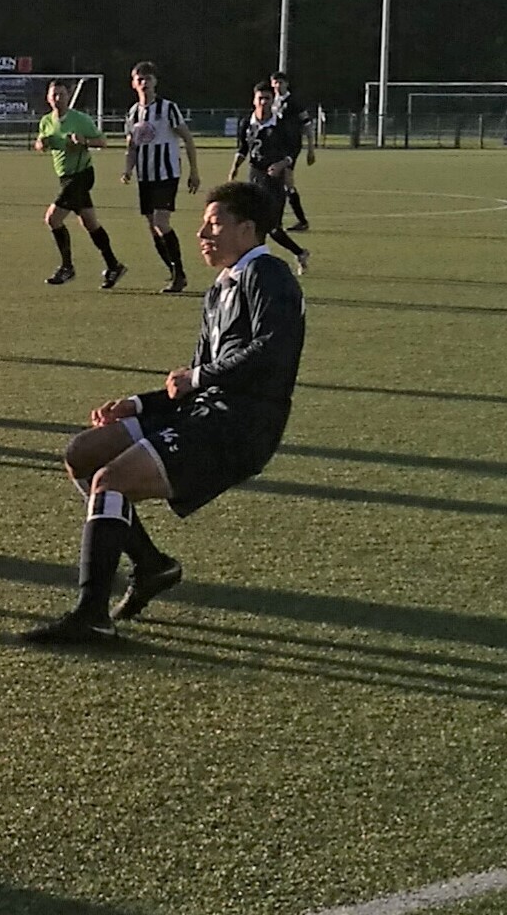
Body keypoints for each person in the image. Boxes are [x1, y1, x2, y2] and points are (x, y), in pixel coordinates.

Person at [20, 181, 305, 644]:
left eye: (215, 224)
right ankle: (152, 566)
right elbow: (196, 375)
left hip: (238, 425)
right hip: (202, 411)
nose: (202, 233)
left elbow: (272, 352)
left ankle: (91, 615)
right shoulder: (220, 288)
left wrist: (199, 379)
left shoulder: (267, 274)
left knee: (110, 480)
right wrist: (140, 402)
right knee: (85, 453)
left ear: (248, 229)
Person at [35, 77, 123, 287]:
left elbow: (102, 142)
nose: (58, 98)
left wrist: (85, 141)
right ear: (48, 98)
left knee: (53, 219)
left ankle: (67, 267)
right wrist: (41, 143)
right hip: (65, 176)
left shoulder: (81, 120)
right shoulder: (46, 121)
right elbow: (40, 142)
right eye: (54, 94)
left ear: (68, 96)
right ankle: (114, 265)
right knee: (89, 222)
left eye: (62, 94)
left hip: (81, 174)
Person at [120, 61, 199, 293]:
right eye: (140, 79)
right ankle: (174, 271)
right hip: (145, 176)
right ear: (134, 84)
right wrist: (127, 170)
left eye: (148, 79)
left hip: (167, 173)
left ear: (155, 82)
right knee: (152, 226)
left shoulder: (168, 108)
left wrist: (194, 171)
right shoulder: (133, 112)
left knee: (161, 222)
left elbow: (187, 138)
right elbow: (132, 146)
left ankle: (179, 273)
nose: (144, 83)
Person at [228, 82, 312, 274]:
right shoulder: (246, 123)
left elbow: (293, 148)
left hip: (274, 178)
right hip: (255, 175)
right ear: (254, 100)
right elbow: (243, 148)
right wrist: (233, 170)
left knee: (269, 225)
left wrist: (282, 164)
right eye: (261, 98)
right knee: (262, 224)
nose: (264, 102)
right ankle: (296, 254)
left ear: (272, 101)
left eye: (268, 98)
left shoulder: (281, 124)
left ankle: (255, 265)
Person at [268, 71, 314, 231]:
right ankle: (296, 221)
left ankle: (292, 221)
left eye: (280, 82)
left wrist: (310, 149)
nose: (277, 85)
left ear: (286, 84)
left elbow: (307, 124)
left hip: (291, 146)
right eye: (275, 82)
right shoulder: (272, 102)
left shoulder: (294, 102)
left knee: (286, 180)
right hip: (276, 146)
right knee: (282, 182)